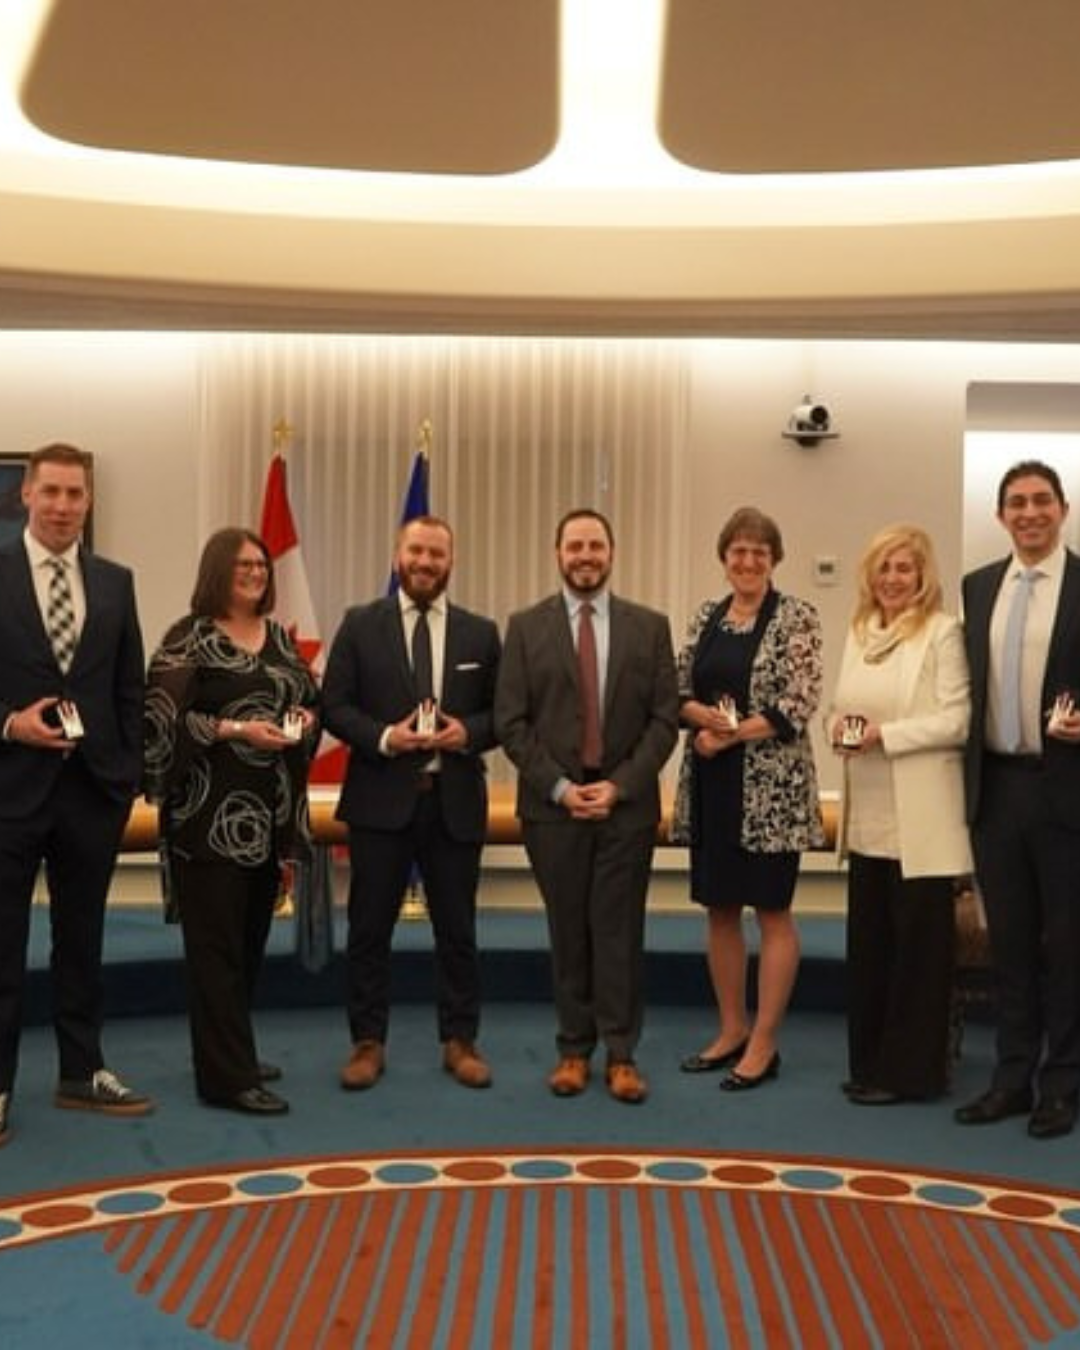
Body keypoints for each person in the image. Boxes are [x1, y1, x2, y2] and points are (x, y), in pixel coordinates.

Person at [495, 508, 678, 1104]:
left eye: (595, 545)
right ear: (557, 553)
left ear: (611, 553)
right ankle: (573, 1051)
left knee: (620, 932)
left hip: (625, 806)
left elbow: (664, 720)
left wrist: (620, 786)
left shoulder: (649, 627)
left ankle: (621, 1054)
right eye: (575, 545)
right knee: (568, 931)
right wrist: (561, 788)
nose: (585, 555)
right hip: (554, 809)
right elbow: (511, 722)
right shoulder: (524, 628)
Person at [0, 442, 151, 1148]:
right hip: (9, 790)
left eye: (75, 495)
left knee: (82, 941)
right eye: (51, 492)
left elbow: (129, 688)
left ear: (88, 502)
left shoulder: (116, 582)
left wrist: (124, 781)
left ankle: (81, 1070)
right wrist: (10, 723)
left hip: (93, 794)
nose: (63, 506)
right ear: (25, 495)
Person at [143, 527, 318, 1115]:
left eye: (262, 566)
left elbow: (307, 693)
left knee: (247, 945)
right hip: (207, 818)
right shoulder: (186, 638)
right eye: (243, 565)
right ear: (218, 569)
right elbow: (161, 721)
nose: (255, 573)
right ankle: (225, 1079)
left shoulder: (277, 636)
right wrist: (235, 729)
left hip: (269, 817)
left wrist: (304, 720)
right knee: (215, 952)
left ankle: (229, 1052)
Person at [322, 516, 501, 1091]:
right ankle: (367, 1043)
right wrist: (384, 737)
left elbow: (503, 715)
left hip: (453, 802)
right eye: (417, 551)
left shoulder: (480, 633)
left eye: (437, 554)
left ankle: (460, 1041)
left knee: (458, 932)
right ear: (398, 554)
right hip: (380, 800)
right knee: (369, 930)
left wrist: (465, 734)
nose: (426, 563)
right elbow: (335, 707)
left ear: (451, 561)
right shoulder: (359, 624)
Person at [672, 507, 824, 1092]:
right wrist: (700, 720)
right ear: (723, 557)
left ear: (774, 559)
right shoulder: (707, 616)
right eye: (738, 550)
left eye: (759, 551)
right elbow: (679, 688)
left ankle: (764, 1041)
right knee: (719, 910)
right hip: (713, 783)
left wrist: (730, 732)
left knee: (773, 913)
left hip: (770, 792)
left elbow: (799, 702)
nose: (748, 560)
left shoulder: (797, 617)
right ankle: (731, 1028)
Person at [956, 460, 1080, 1140]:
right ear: (1001, 516)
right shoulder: (978, 589)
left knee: (1065, 944)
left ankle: (1060, 1084)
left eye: (1041, 501)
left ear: (1062, 509)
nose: (1029, 513)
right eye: (1016, 503)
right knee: (1008, 945)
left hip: (1066, 792)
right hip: (995, 790)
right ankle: (1009, 1078)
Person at [827, 524, 971, 1105]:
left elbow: (956, 721)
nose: (893, 578)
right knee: (871, 948)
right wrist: (835, 728)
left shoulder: (943, 634)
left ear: (922, 576)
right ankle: (870, 1065)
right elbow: (839, 707)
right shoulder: (860, 631)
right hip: (868, 816)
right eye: (884, 567)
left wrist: (887, 736)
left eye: (904, 568)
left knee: (918, 955)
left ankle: (912, 1075)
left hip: (923, 820)